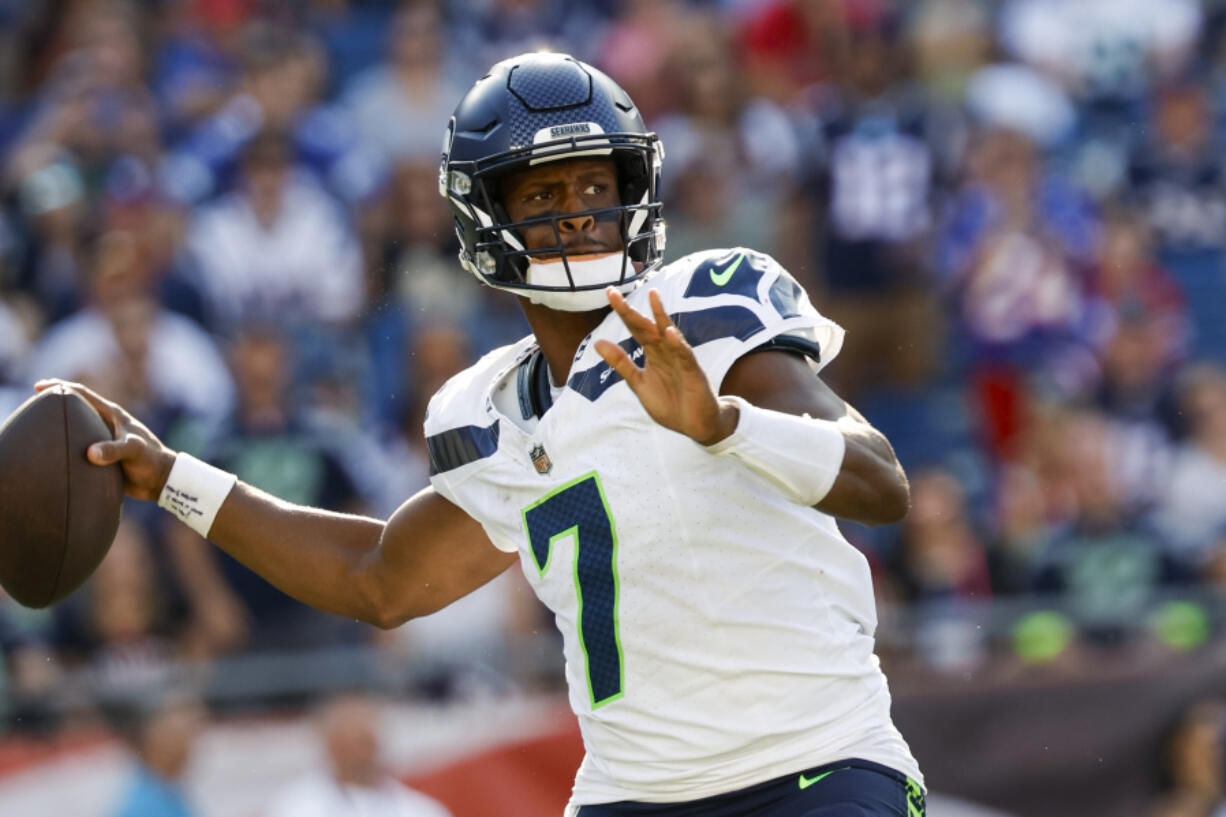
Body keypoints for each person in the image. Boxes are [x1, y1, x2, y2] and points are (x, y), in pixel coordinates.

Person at [38, 53, 925, 817]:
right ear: (484, 217)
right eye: (544, 191)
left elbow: (880, 482)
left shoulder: (705, 313)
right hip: (634, 791)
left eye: (595, 184)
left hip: (815, 763)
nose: (579, 211)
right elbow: (378, 580)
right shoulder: (490, 410)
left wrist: (724, 423)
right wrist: (172, 478)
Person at [261, 692, 451, 817]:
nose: (367, 754)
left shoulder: (419, 809)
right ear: (331, 747)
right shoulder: (295, 807)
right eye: (358, 743)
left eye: (370, 742)